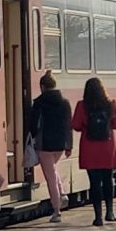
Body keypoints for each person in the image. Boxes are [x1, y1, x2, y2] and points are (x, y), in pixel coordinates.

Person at [74, 76, 116, 225]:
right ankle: (110, 212)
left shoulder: (82, 105)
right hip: (107, 147)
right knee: (108, 180)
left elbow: (76, 125)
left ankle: (97, 217)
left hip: (89, 149)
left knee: (94, 183)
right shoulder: (111, 104)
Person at [24, 71, 73, 218]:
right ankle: (62, 194)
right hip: (59, 144)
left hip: (44, 144)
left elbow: (34, 125)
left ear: (42, 86)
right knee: (52, 170)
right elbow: (68, 125)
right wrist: (69, 146)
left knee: (50, 176)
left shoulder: (39, 103)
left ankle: (57, 210)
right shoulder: (65, 102)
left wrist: (31, 137)